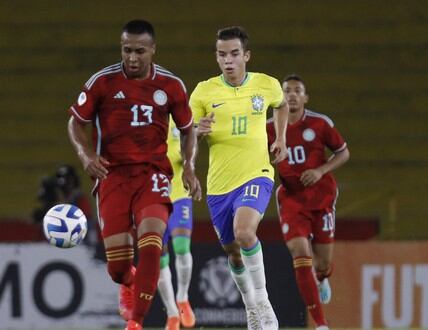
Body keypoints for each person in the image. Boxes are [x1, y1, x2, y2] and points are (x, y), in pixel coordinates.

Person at [66, 19, 201, 330]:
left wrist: (189, 166)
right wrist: (86, 156)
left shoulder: (170, 85)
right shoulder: (103, 82)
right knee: (117, 268)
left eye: (140, 51)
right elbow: (75, 123)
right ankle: (129, 281)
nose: (132, 58)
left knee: (153, 241)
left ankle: (136, 323)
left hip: (152, 174)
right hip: (112, 177)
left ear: (152, 50)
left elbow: (187, 129)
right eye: (127, 50)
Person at [191, 26, 289, 330]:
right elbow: (185, 132)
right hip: (219, 185)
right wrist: (195, 131)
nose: (228, 61)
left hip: (256, 174)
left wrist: (281, 138)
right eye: (222, 55)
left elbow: (282, 104)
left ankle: (262, 302)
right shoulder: (203, 92)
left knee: (245, 232)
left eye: (234, 54)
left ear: (246, 55)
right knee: (233, 252)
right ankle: (250, 308)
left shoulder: (265, 85)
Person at [267, 74, 350, 330]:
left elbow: (343, 152)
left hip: (321, 197)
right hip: (292, 200)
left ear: (305, 97)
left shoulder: (320, 124)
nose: (291, 95)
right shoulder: (268, 127)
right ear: (280, 96)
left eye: (297, 91)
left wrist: (320, 171)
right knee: (301, 254)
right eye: (287, 90)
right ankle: (321, 324)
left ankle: (323, 277)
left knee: (322, 263)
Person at [157, 119, 196, 330]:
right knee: (159, 255)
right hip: (154, 197)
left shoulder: (178, 116)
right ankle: (172, 313)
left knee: (182, 247)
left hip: (179, 193)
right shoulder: (144, 119)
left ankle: (182, 297)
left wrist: (188, 153)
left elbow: (191, 139)